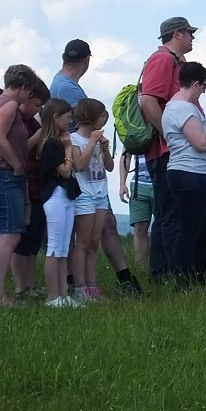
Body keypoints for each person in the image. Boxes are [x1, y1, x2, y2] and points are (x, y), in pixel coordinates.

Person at [50, 39, 142, 295]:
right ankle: (82, 283)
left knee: (96, 232)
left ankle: (85, 282)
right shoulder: (72, 92)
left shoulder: (59, 84)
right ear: (87, 59)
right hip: (84, 179)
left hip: (93, 177)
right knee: (90, 235)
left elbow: (109, 165)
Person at [161, 63, 206, 288]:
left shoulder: (179, 108)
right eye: (204, 86)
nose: (204, 91)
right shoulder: (183, 109)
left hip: (193, 174)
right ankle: (184, 281)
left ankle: (200, 276)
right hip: (191, 173)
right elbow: (201, 144)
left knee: (203, 229)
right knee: (190, 231)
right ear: (196, 84)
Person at [140, 17, 196, 279]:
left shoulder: (173, 61)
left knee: (169, 211)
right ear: (177, 34)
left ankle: (163, 272)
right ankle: (168, 272)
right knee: (170, 212)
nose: (193, 38)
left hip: (168, 151)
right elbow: (149, 101)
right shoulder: (162, 60)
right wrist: (171, 137)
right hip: (165, 151)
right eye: (189, 33)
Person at [0, 64, 39, 305]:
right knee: (11, 236)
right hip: (5, 175)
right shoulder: (8, 105)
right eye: (29, 91)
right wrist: (17, 164)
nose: (29, 96)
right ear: (23, 87)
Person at [37, 99, 82, 308]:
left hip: (64, 196)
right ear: (55, 118)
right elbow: (64, 171)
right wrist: (68, 150)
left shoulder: (56, 141)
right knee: (55, 248)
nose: (70, 121)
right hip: (55, 196)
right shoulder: (50, 144)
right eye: (67, 117)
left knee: (64, 248)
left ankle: (63, 294)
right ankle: (53, 296)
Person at [69, 98, 113, 302]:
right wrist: (93, 142)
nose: (104, 120)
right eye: (102, 116)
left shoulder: (99, 140)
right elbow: (79, 165)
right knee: (83, 242)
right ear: (91, 117)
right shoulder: (74, 139)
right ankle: (80, 286)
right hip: (84, 194)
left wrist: (104, 149)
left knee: (94, 241)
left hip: (101, 192)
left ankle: (92, 284)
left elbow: (110, 166)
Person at [10, 79, 50, 300]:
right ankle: (20, 286)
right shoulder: (18, 122)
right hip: (23, 185)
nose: (37, 109)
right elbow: (22, 148)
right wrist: (44, 130)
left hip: (37, 185)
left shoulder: (31, 123)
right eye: (36, 105)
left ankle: (31, 284)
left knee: (34, 240)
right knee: (21, 240)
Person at [119, 152, 153, 267]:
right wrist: (122, 183)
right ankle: (142, 268)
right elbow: (126, 155)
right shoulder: (132, 132)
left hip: (161, 182)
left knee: (164, 227)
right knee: (139, 227)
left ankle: (161, 266)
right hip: (139, 183)